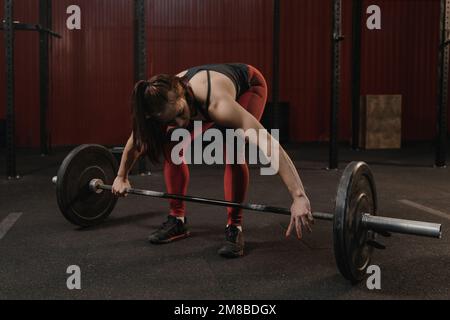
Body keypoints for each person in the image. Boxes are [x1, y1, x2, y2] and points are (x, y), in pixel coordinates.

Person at [112, 63, 313, 258]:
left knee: (233, 147)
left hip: (248, 86)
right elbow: (137, 141)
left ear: (182, 94)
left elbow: (268, 143)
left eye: (181, 114)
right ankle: (177, 220)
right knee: (171, 147)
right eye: (172, 120)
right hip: (199, 101)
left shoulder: (217, 103)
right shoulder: (161, 101)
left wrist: (298, 196)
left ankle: (234, 226)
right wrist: (121, 176)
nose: (181, 124)